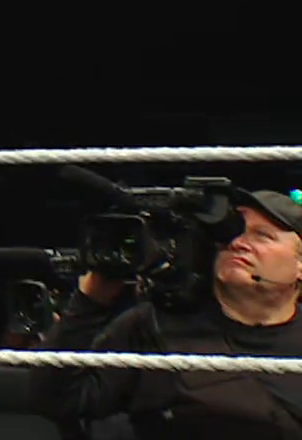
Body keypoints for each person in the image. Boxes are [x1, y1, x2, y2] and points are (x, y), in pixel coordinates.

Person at [34, 188, 302, 438]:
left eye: (263, 235)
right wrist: (90, 301)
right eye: (231, 233)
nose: (238, 243)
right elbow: (60, 400)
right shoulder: (152, 324)